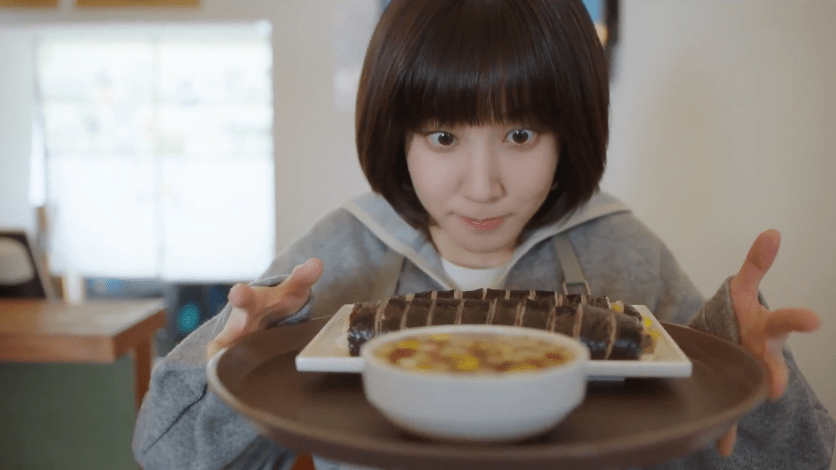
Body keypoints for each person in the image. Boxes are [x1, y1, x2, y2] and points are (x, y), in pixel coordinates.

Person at [132, 1, 835, 469]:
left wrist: (748, 374)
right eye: (443, 136)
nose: (482, 185)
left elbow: (797, 459)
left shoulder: (625, 257)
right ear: (397, 137)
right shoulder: (338, 257)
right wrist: (232, 361)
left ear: (569, 134)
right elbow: (163, 456)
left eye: (520, 134)